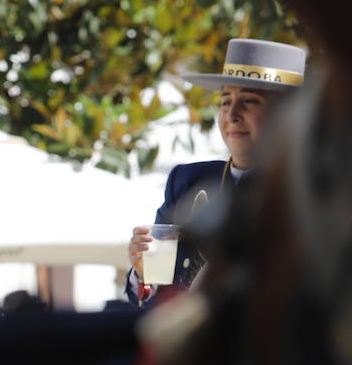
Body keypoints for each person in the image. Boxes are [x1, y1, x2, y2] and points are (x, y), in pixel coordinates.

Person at [126, 38, 306, 305]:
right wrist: (143, 275)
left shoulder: (309, 191)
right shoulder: (187, 182)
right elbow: (159, 295)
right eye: (225, 101)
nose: (232, 114)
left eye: (249, 101)